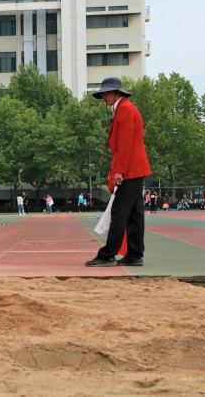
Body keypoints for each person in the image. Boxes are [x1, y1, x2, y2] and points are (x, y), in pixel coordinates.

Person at [86, 77, 151, 268]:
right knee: (134, 213)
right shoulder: (124, 109)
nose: (103, 96)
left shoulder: (124, 110)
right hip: (135, 168)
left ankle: (108, 254)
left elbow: (124, 145)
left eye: (106, 92)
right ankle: (134, 253)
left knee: (119, 211)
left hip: (130, 169)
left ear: (117, 92)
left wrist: (119, 171)